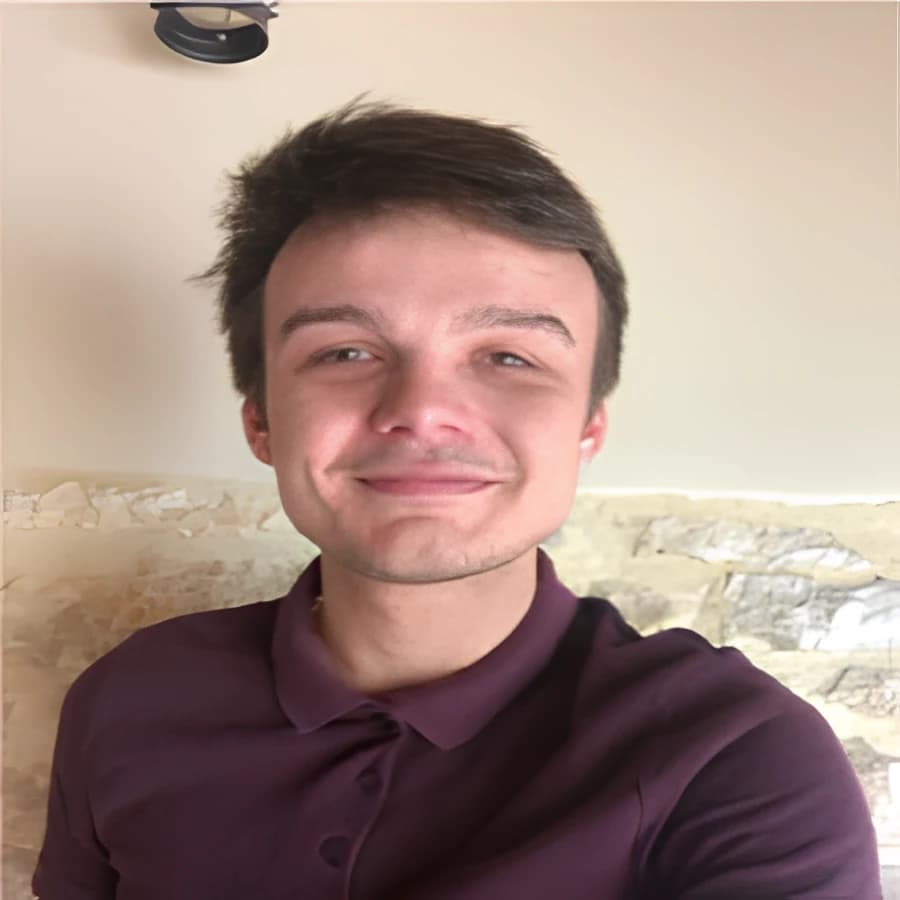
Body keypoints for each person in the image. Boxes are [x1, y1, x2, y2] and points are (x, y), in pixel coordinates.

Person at [32, 100, 881, 900]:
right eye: (345, 352)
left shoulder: (736, 760)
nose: (421, 410)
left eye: (508, 357)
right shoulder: (128, 700)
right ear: (261, 420)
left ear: (587, 426)